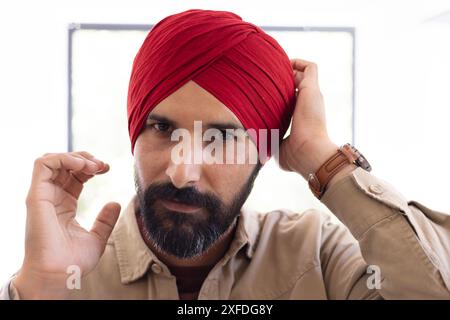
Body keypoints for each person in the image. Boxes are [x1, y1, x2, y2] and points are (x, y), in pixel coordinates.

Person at [1, 9, 449, 300]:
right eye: (162, 128)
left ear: (264, 151)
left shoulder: (321, 256)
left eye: (221, 138)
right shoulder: (73, 275)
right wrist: (41, 286)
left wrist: (325, 160)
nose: (182, 172)